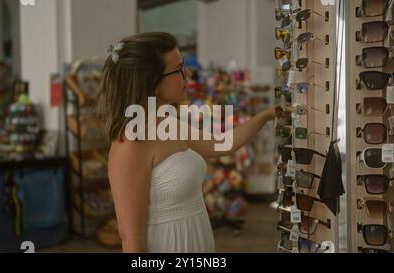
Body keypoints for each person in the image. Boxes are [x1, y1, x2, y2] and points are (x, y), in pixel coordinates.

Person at [95, 32, 277, 253]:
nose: (188, 73)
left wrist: (268, 115)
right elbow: (131, 237)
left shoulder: (168, 124)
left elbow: (222, 143)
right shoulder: (131, 142)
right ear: (151, 82)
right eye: (179, 69)